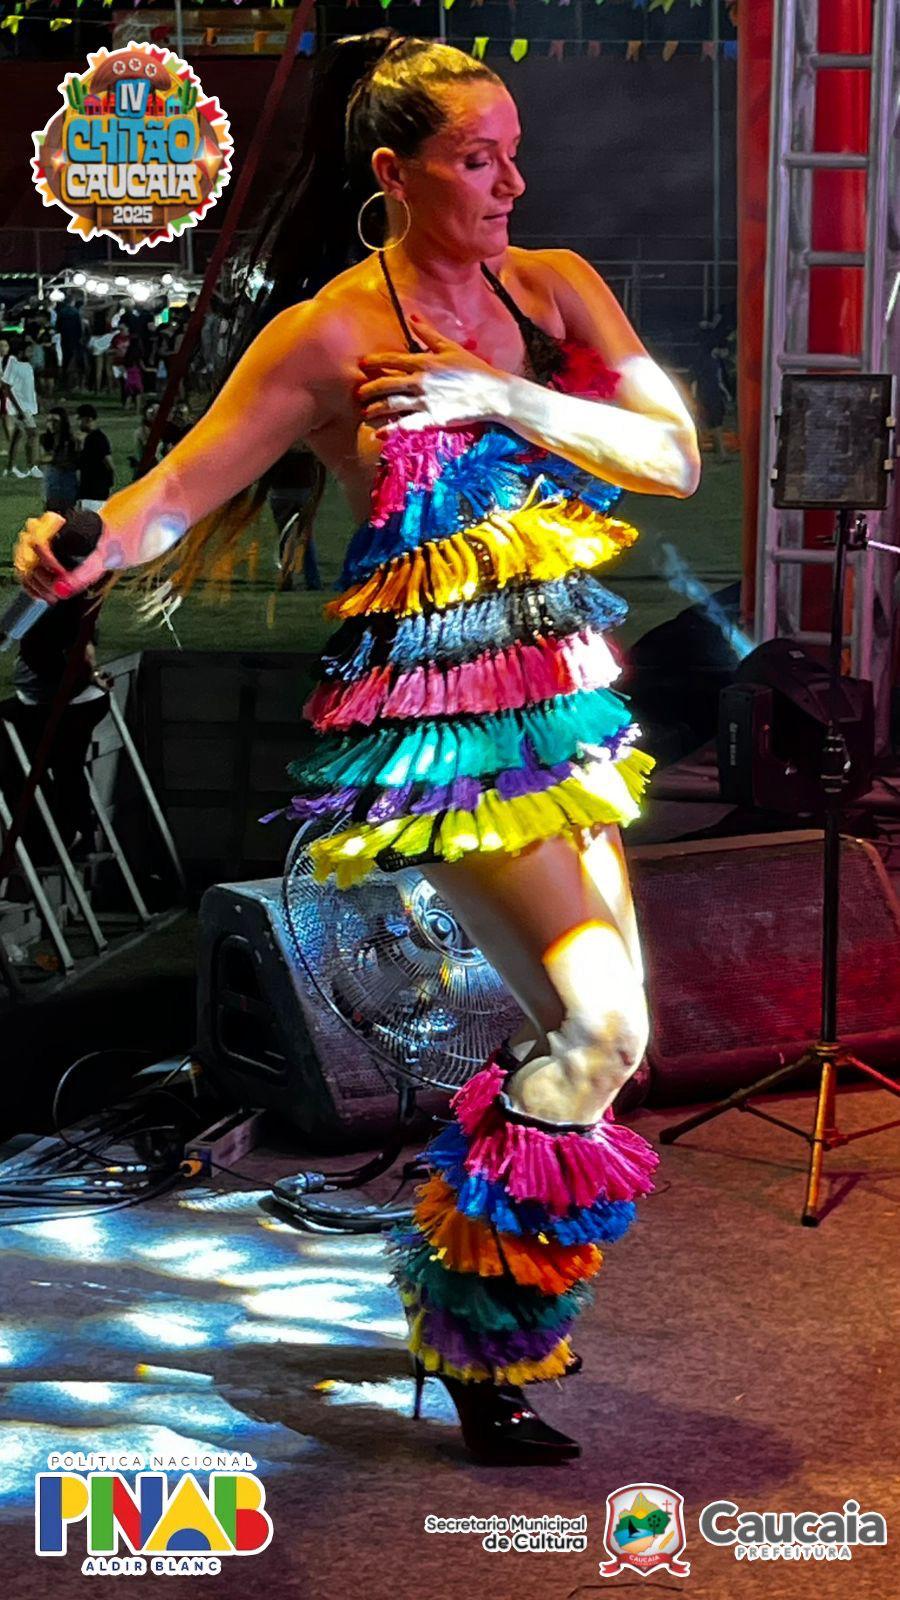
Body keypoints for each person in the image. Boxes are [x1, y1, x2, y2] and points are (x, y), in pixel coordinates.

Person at [13, 31, 700, 1465]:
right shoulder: (329, 336)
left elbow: (671, 457)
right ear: (394, 173)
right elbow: (178, 489)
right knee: (601, 1029)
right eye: (476, 159)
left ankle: (478, 1314)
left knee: (591, 1045)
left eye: (513, 153)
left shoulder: (551, 288)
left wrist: (502, 396)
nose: (511, 182)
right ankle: (479, 1337)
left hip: (559, 712)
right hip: (446, 742)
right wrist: (83, 546)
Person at [1, 336, 42, 478]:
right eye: (29, 350)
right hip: (21, 407)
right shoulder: (14, 364)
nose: (31, 353)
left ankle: (10, 467)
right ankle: (33, 467)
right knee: (33, 434)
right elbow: (7, 387)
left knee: (18, 435)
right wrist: (19, 409)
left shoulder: (27, 365)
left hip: (27, 406)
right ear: (21, 352)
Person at [39, 405, 80, 512]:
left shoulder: (71, 440)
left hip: (68, 480)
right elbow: (42, 458)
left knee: (68, 512)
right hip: (51, 479)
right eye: (49, 421)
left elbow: (72, 461)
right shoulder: (45, 439)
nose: (52, 424)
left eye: (55, 421)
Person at [74, 404, 114, 511]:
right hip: (87, 490)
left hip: (95, 491)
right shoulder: (87, 438)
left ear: (88, 419)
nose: (77, 423)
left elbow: (108, 464)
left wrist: (109, 484)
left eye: (79, 419)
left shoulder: (97, 438)